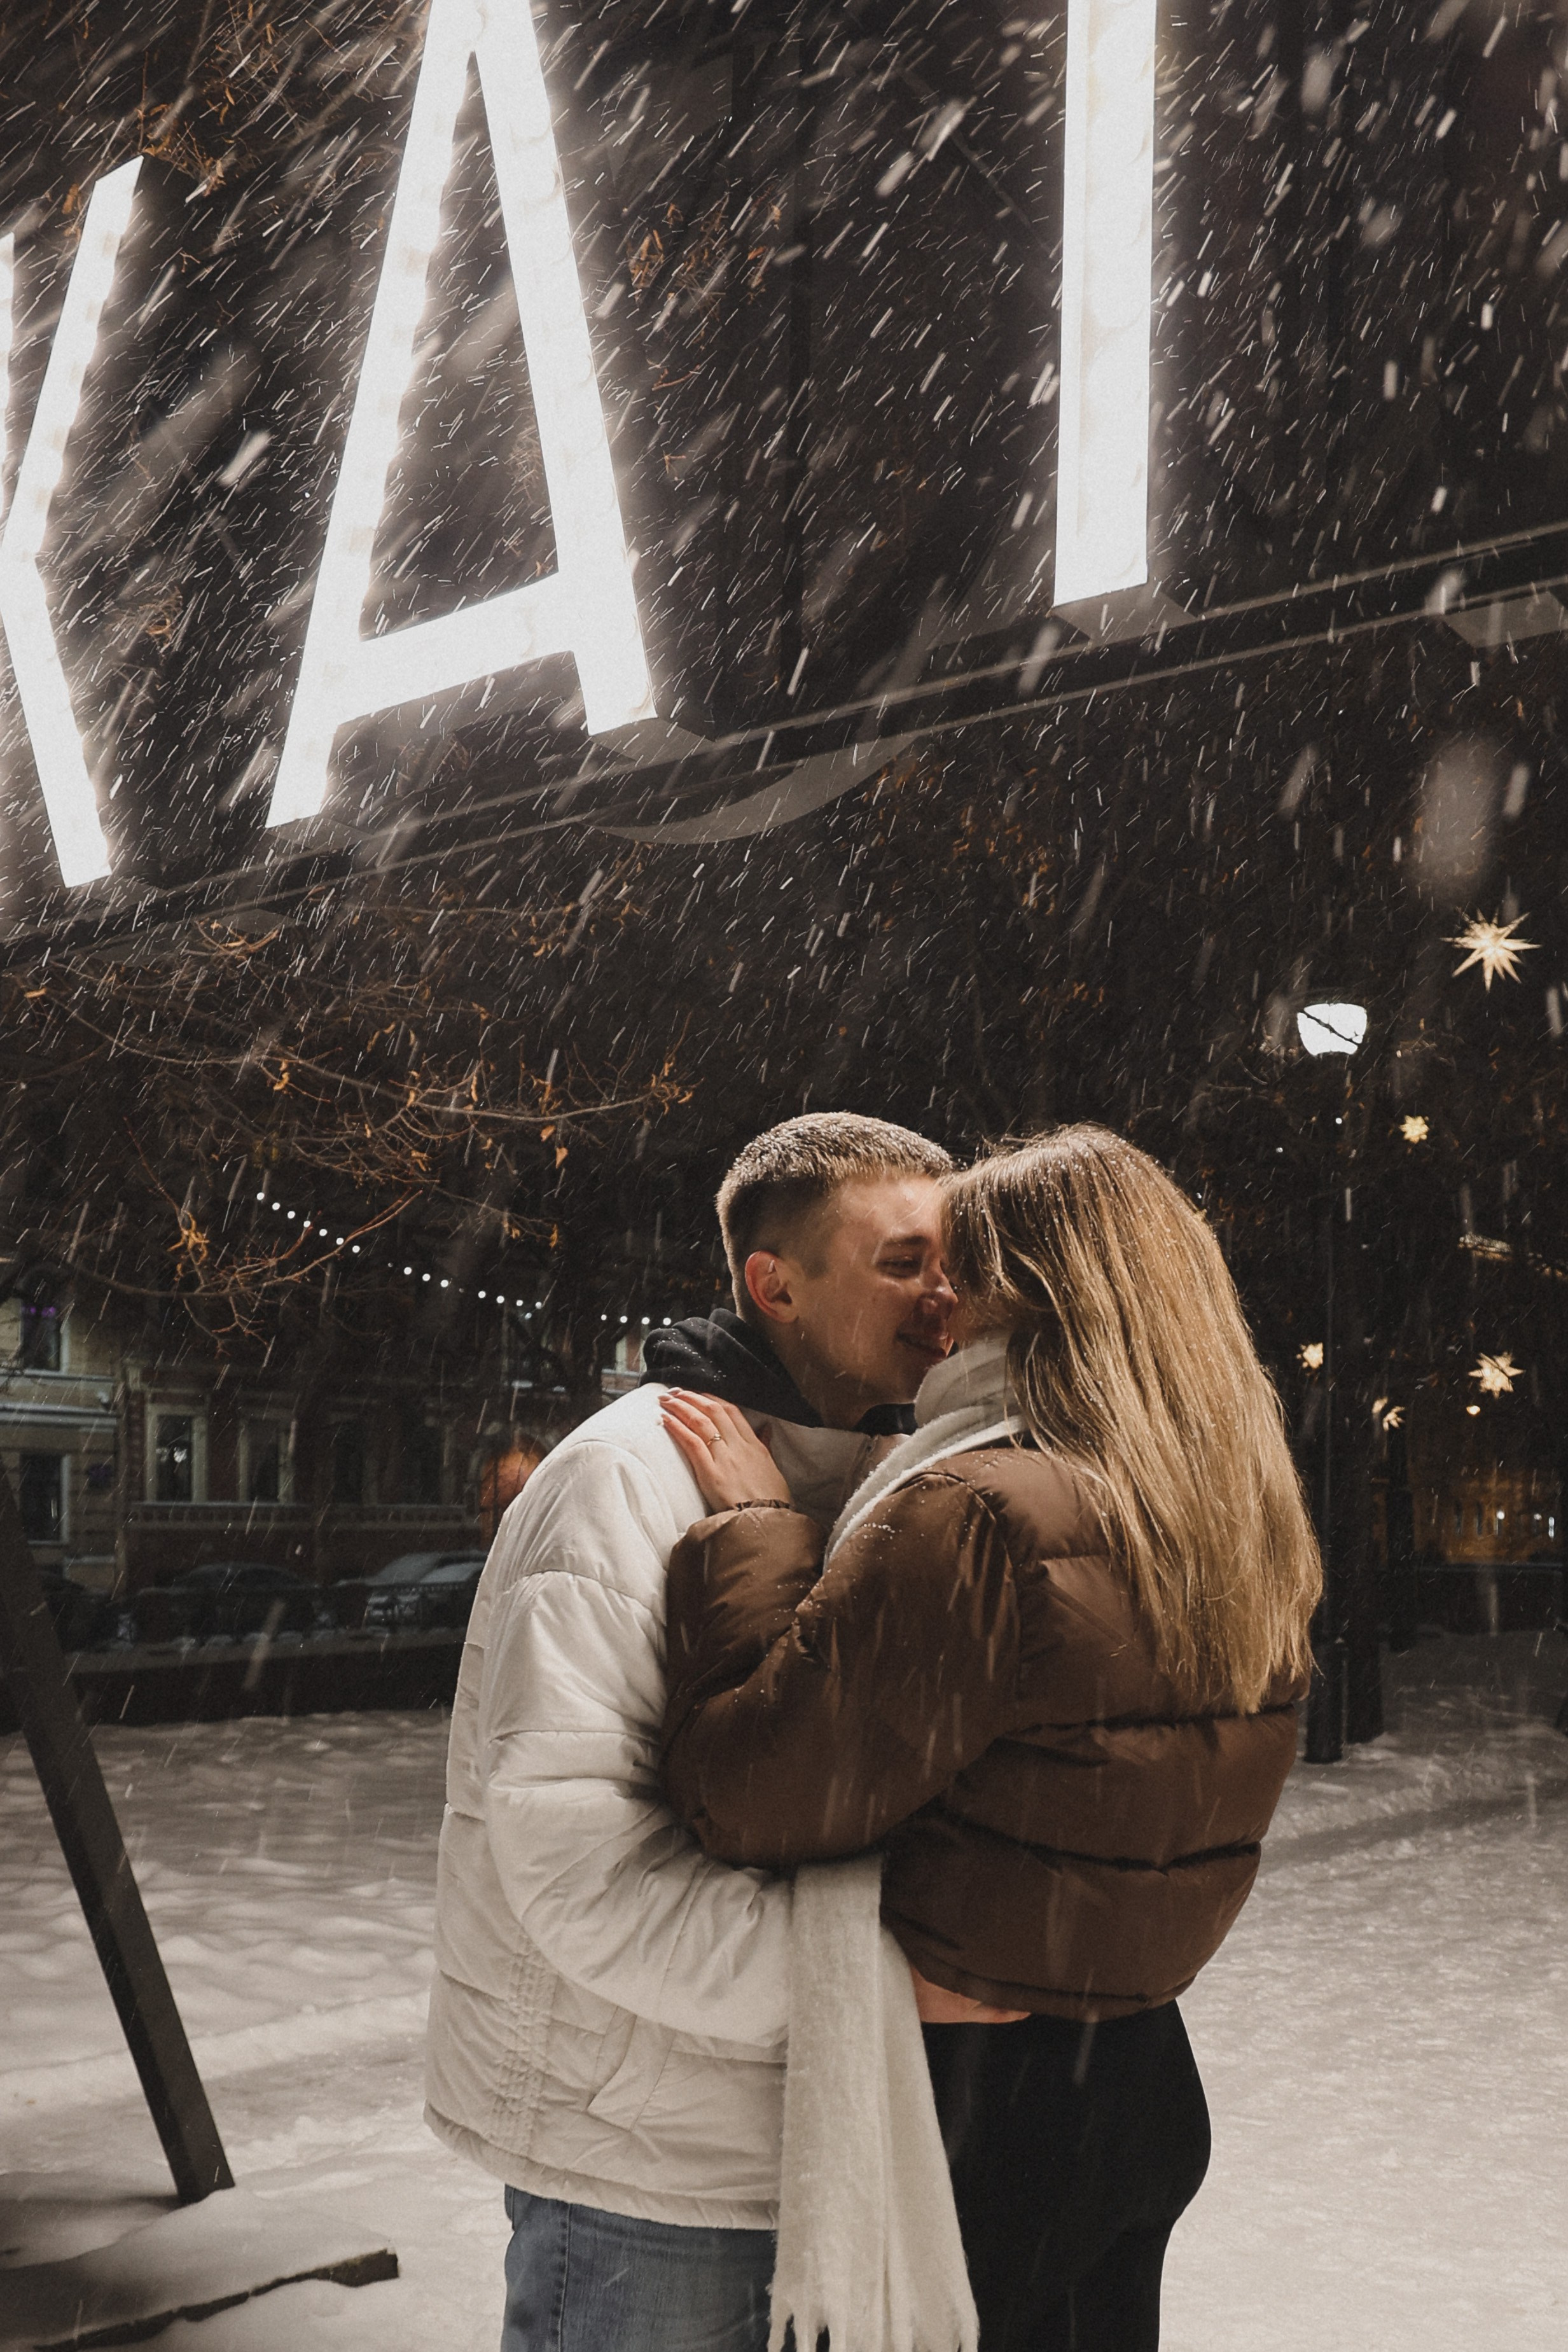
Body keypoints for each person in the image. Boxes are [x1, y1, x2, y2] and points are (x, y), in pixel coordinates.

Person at [658, 1124, 1322, 2352]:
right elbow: (1160, 1807)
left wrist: (757, 1532)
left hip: (985, 2116)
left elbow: (752, 1792)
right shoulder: (1223, 1503)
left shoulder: (973, 1510)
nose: (934, 1298)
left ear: (1025, 1295)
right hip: (1135, 2077)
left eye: (958, 1267)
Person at [424, 1111, 955, 2352]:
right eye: (901, 1263)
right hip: (643, 2178)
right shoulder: (624, 1483)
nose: (946, 1297)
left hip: (817, 2155)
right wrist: (878, 1988)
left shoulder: (901, 1480)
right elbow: (580, 1869)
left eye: (956, 1262)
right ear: (776, 1285)